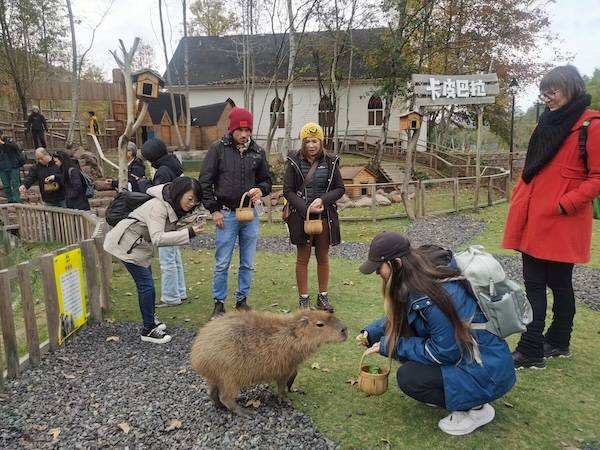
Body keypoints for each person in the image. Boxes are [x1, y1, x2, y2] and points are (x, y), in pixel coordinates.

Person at [358, 231, 515, 436]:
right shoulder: (418, 274)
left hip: (486, 370)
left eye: (379, 267)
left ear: (396, 263)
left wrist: (392, 346)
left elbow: (444, 352)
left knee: (409, 377)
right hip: (472, 359)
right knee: (411, 357)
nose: (378, 273)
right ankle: (453, 392)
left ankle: (476, 410)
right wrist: (372, 332)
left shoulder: (434, 295)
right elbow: (405, 315)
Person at [502, 65, 600, 369]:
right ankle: (554, 342)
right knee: (537, 283)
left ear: (571, 88)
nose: (548, 98)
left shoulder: (591, 125)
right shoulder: (544, 123)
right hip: (534, 218)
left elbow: (597, 177)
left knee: (557, 284)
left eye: (553, 91)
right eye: (544, 93)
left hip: (562, 221)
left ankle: (536, 348)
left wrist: (565, 203)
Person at [103, 177, 204, 343]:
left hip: (137, 246)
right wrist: (189, 233)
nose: (192, 204)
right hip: (125, 244)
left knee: (146, 284)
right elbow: (157, 238)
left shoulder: (171, 204)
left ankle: (150, 319)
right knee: (146, 285)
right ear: (179, 194)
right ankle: (148, 329)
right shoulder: (159, 206)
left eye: (195, 201)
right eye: (190, 199)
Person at [199, 106, 272, 320]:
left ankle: (242, 301)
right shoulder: (218, 149)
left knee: (247, 262)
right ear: (232, 129)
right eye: (240, 130)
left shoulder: (258, 152)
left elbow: (266, 180)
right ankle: (219, 303)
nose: (244, 135)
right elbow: (205, 181)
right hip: (226, 214)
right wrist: (213, 210)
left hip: (250, 215)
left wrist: (262, 189)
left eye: (248, 130)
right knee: (222, 261)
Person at [283, 123, 345, 311]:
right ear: (303, 142)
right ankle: (304, 299)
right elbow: (288, 190)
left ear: (321, 141)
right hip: (301, 217)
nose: (311, 145)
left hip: (325, 216)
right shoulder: (293, 161)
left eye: (315, 141)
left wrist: (323, 201)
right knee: (302, 258)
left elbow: (340, 188)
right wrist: (306, 208)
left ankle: (323, 297)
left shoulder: (331, 161)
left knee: (323, 257)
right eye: (308, 141)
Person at [141, 138, 187, 307]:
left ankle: (170, 297)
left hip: (166, 217)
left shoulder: (163, 171)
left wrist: (145, 184)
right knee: (174, 256)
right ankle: (180, 291)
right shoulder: (174, 164)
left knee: (167, 259)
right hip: (175, 215)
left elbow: (159, 194)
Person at [0, 132, 23, 203]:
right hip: (2, 168)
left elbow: (15, 147)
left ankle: (17, 200)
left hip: (13, 166)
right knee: (6, 185)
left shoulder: (8, 140)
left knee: (15, 184)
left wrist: (3, 143)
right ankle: (10, 200)